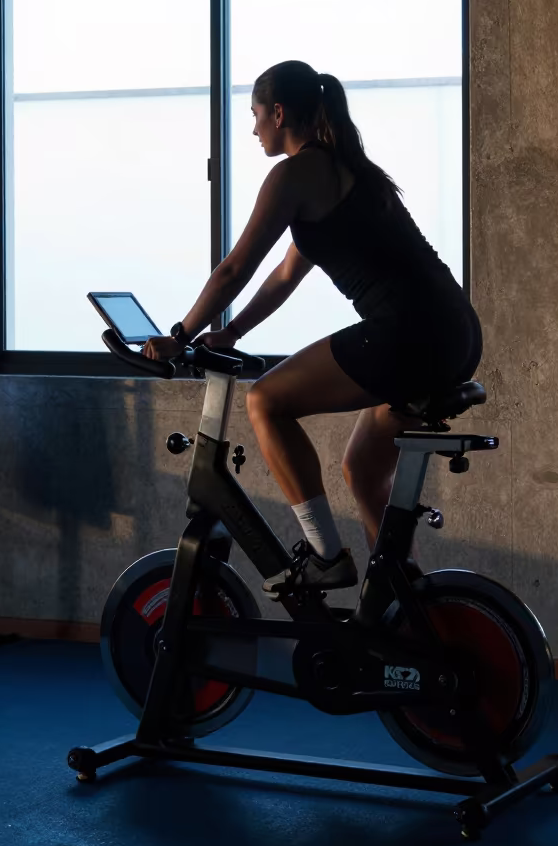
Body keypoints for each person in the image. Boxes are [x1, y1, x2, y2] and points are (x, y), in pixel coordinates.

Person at [143, 59, 482, 596]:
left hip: (410, 334)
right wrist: (229, 335)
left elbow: (235, 268)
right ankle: (404, 604)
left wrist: (179, 336)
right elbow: (283, 276)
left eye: (256, 116)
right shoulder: (342, 171)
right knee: (363, 471)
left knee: (265, 402)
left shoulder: (295, 175)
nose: (253, 129)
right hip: (454, 332)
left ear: (279, 113)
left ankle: (326, 556)